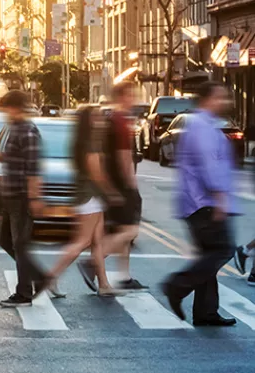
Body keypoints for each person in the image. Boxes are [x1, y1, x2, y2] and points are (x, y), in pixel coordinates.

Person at [162, 82, 238, 326]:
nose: (224, 102)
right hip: (203, 202)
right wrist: (220, 198)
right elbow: (209, 165)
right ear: (207, 99)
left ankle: (205, 312)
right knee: (222, 250)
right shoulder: (202, 126)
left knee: (209, 255)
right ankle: (177, 286)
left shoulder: (202, 124)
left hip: (197, 201)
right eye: (220, 97)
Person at [0, 90, 47, 307]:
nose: (3, 113)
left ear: (15, 108)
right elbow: (14, 157)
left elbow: (33, 167)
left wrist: (34, 199)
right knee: (5, 240)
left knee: (20, 244)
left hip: (22, 196)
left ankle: (24, 293)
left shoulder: (27, 131)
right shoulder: (16, 128)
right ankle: (38, 276)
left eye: (6, 108)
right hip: (11, 196)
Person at [46, 106, 123, 297]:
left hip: (89, 196)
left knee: (97, 242)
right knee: (83, 241)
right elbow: (96, 173)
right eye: (96, 116)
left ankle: (104, 284)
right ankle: (50, 277)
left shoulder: (82, 141)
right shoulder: (90, 143)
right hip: (90, 196)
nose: (100, 119)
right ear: (89, 121)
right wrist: (112, 192)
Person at [88, 82, 146, 292]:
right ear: (122, 97)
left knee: (121, 229)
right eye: (131, 95)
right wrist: (130, 185)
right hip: (122, 185)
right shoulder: (121, 122)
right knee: (130, 231)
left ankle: (124, 275)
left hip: (109, 183)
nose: (134, 99)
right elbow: (123, 157)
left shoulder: (109, 119)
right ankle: (93, 262)